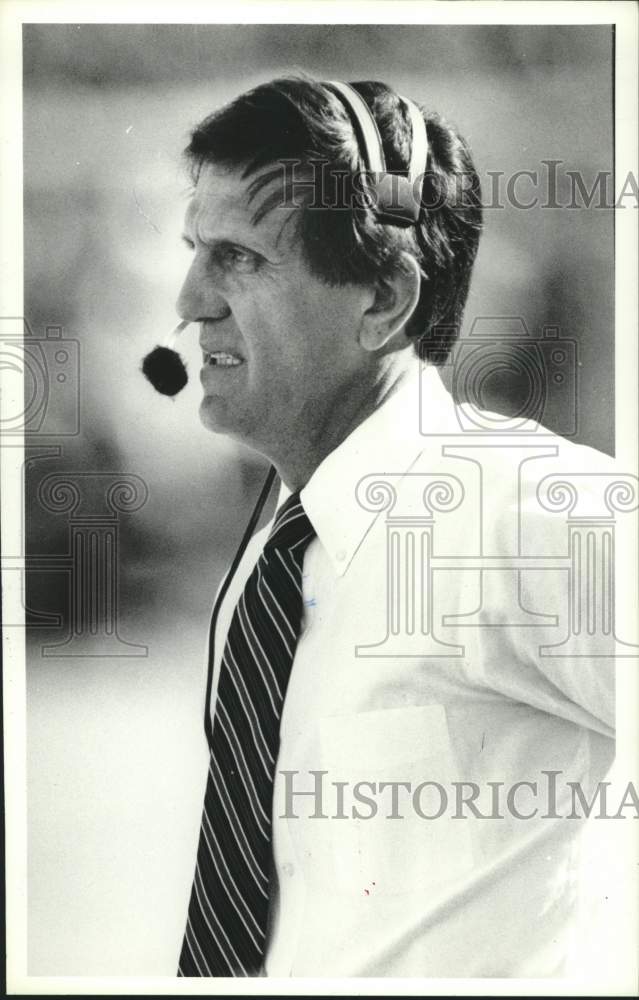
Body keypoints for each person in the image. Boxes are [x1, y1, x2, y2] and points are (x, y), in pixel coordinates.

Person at [172, 76, 623, 978]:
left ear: (381, 300)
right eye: (194, 249)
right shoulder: (281, 549)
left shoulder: (534, 510)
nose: (187, 300)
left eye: (240, 258)